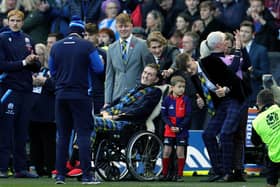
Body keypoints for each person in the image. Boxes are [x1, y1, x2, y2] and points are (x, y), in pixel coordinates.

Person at [176, 32, 249, 182]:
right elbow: (204, 94)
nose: (190, 71)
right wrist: (201, 100)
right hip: (222, 105)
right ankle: (218, 171)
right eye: (186, 70)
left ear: (192, 59)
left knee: (225, 133)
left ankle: (228, 173)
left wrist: (226, 89)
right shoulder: (193, 77)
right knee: (208, 134)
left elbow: (233, 77)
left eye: (189, 66)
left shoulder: (210, 61)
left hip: (235, 98)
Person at [49, 16, 104, 184]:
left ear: (69, 31)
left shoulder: (56, 47)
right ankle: (87, 175)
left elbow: (52, 71)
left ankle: (59, 175)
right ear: (82, 32)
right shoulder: (87, 46)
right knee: (83, 135)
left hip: (61, 95)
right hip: (81, 95)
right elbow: (99, 68)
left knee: (63, 136)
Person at [0, 9, 41, 178]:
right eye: (12, 20)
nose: (15, 23)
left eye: (18, 20)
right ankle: (2, 168)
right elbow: (2, 65)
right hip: (9, 89)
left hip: (26, 89)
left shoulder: (28, 39)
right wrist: (24, 62)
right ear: (7, 21)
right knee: (6, 130)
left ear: (22, 22)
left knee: (22, 132)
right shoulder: (2, 38)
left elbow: (35, 67)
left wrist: (35, 61)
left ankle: (20, 168)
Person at [92, 63, 162, 144]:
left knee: (91, 122)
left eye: (150, 75)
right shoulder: (134, 88)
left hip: (126, 123)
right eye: (145, 72)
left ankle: (81, 152)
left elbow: (140, 110)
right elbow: (114, 102)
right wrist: (104, 111)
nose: (145, 76)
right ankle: (81, 150)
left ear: (156, 79)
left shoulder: (154, 92)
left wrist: (113, 117)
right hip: (110, 116)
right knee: (84, 120)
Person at [105, 13, 151, 105]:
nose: (123, 29)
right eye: (120, 26)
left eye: (126, 26)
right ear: (116, 28)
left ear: (131, 26)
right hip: (117, 97)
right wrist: (107, 101)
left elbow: (149, 70)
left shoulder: (142, 44)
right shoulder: (111, 48)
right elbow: (109, 77)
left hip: (138, 96)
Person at [161, 75, 191, 182]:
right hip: (169, 130)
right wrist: (170, 125)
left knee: (180, 152)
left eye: (183, 87)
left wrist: (179, 127)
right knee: (166, 152)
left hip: (181, 131)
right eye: (179, 86)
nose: (182, 89)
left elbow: (188, 116)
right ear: (172, 87)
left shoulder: (186, 100)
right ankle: (164, 174)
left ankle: (179, 175)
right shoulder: (167, 100)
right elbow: (164, 115)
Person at [251, 89, 280, 187]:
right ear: (273, 101)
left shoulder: (256, 122)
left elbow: (255, 142)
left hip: (275, 157)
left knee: (271, 181)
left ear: (258, 103)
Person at [239, 20, 270, 107]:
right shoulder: (234, 49)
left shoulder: (261, 50)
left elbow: (265, 73)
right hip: (237, 93)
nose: (243, 34)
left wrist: (252, 70)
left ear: (253, 34)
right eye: (241, 31)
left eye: (246, 32)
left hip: (253, 92)